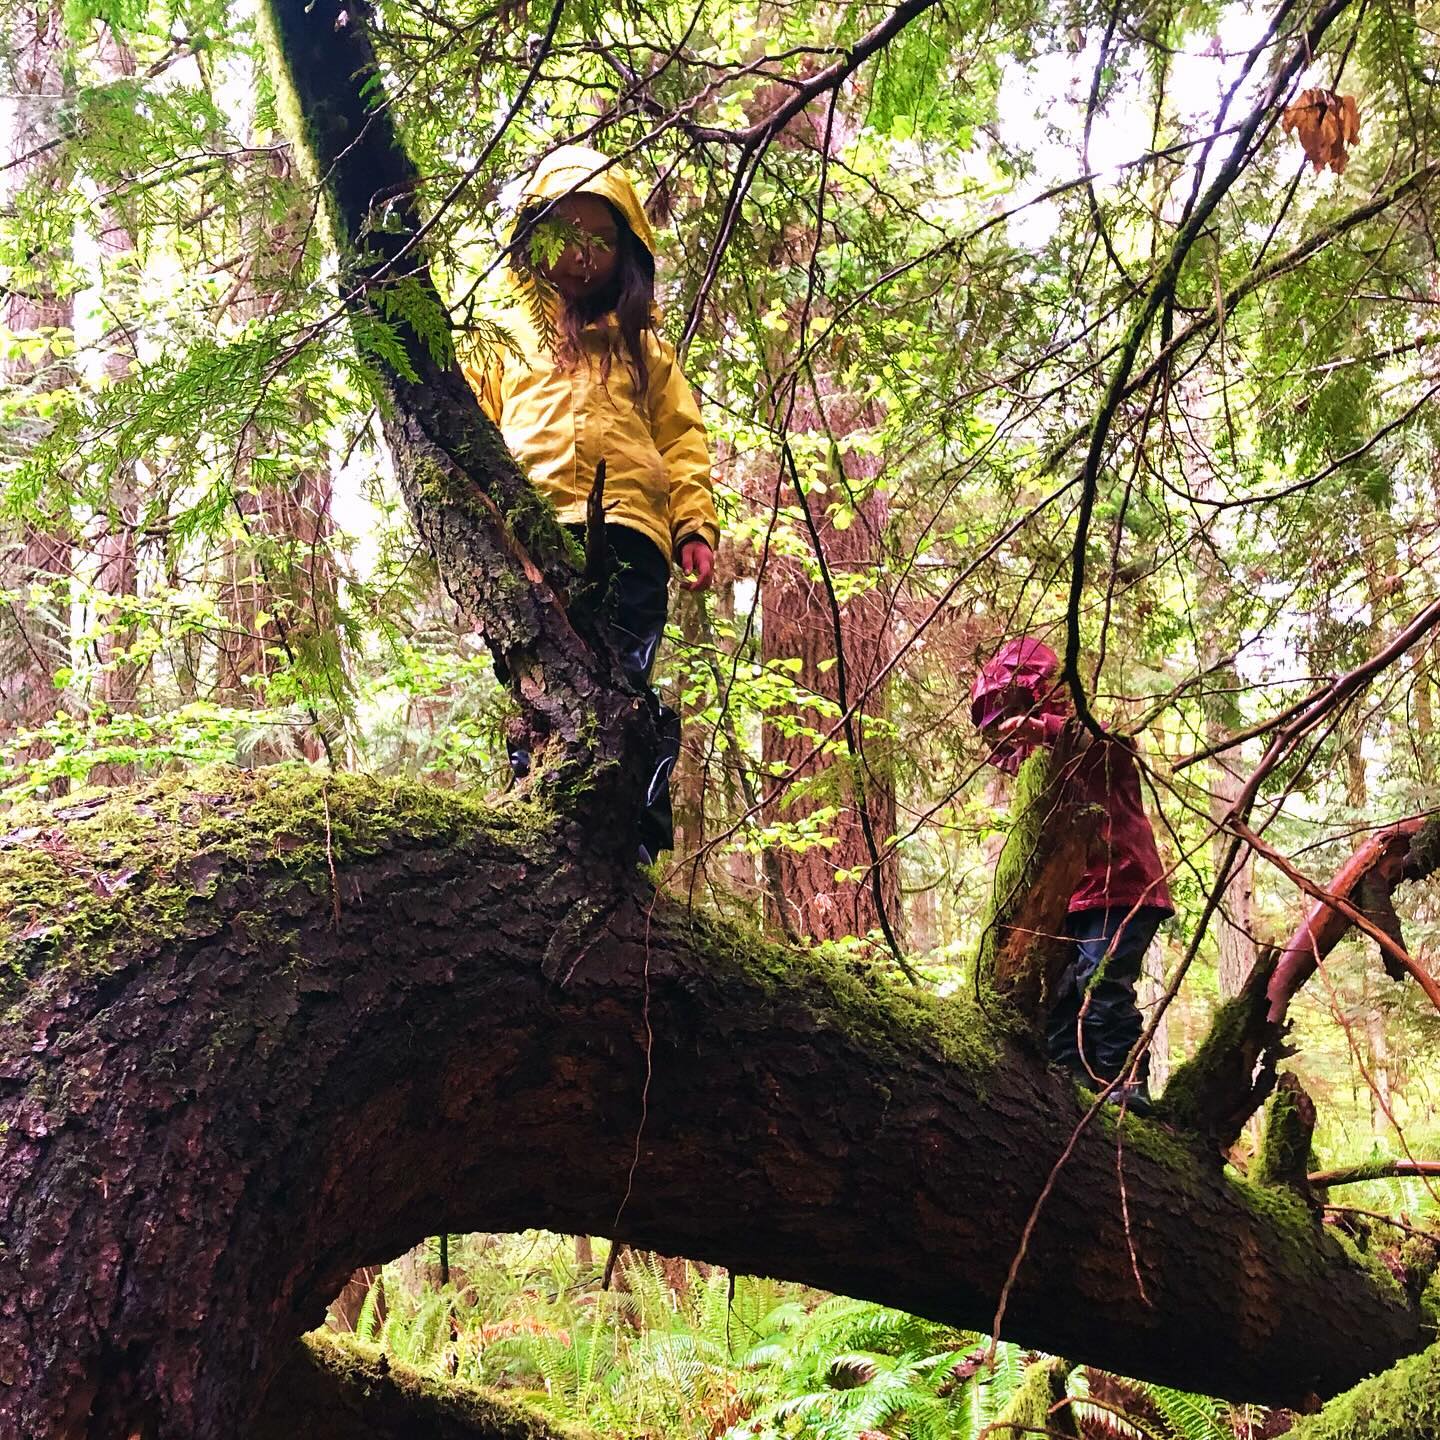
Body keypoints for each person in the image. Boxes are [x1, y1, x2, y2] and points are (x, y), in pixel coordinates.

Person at [462, 145, 720, 861]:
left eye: (602, 239)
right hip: (533, 530)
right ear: (532, 238)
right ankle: (541, 812)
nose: (582, 255)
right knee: (541, 679)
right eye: (566, 234)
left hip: (633, 531)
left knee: (622, 678)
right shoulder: (503, 336)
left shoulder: (643, 346)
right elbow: (471, 422)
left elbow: (681, 437)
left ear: (627, 251)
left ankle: (633, 837)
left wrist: (694, 525)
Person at [971, 638, 1173, 1110]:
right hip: (1075, 899)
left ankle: (1124, 1085)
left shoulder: (1092, 739)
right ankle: (1069, 1088)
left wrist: (1045, 730)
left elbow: (1111, 748)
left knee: (1102, 985)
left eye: (1018, 708)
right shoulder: (1040, 770)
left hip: (1121, 887)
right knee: (1060, 994)